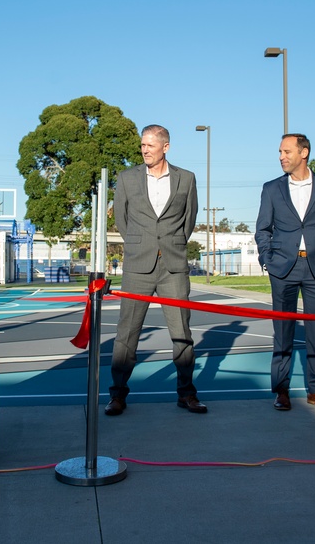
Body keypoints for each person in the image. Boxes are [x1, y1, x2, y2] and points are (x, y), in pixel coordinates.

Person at [105, 124, 206, 415]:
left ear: (166, 147)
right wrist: (140, 244)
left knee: (182, 333)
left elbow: (189, 219)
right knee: (127, 334)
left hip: (173, 266)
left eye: (150, 145)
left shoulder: (186, 179)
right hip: (138, 264)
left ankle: (186, 394)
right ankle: (118, 395)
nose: (144, 150)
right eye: (142, 145)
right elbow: (122, 220)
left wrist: (170, 244)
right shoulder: (126, 178)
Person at [255, 133, 315, 411]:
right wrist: (267, 259)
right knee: (282, 332)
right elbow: (262, 230)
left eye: (286, 151)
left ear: (303, 153)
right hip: (283, 268)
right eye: (280, 152)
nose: (281, 157)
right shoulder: (271, 189)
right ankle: (281, 390)